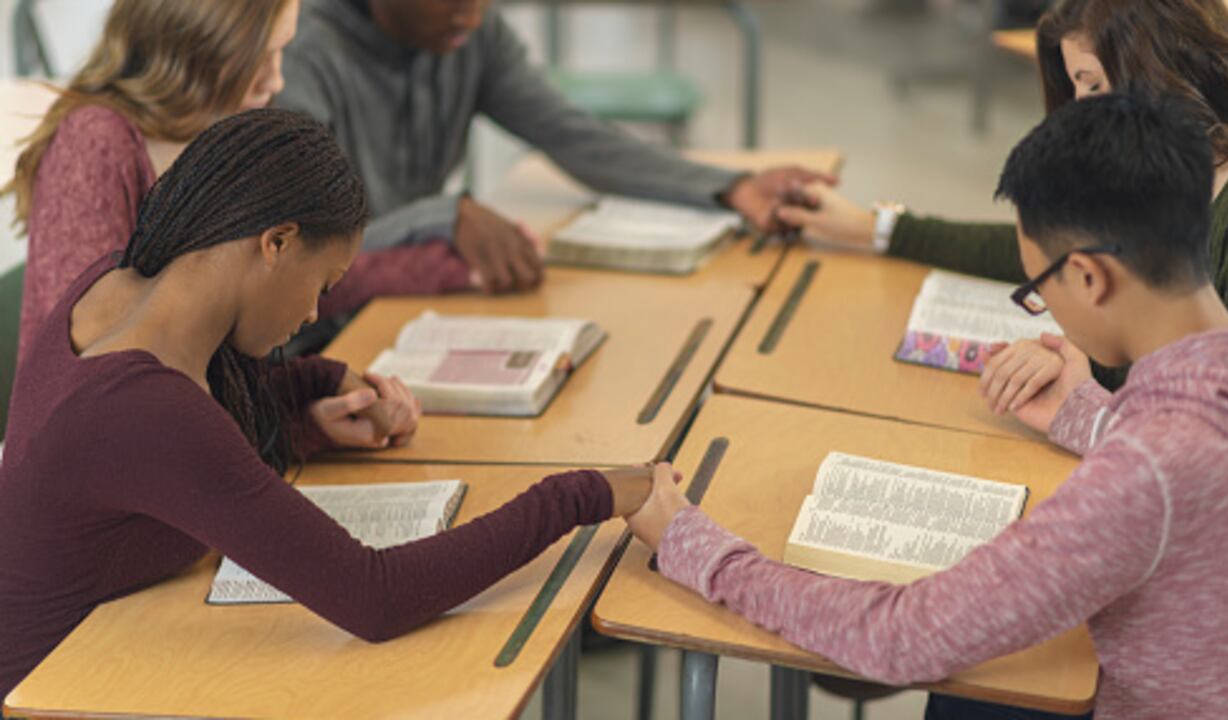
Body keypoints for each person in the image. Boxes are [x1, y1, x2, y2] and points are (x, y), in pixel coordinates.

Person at [626, 94, 1228, 719]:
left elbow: (903, 636)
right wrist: (1086, 414)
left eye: (1036, 289)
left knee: (976, 683)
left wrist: (696, 545)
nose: (1043, 306)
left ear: (1088, 277)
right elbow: (1212, 469)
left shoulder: (1150, 469)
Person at [0, 109, 656, 698]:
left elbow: (184, 448)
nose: (314, 311)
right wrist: (585, 494)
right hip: (60, 692)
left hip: (109, 658)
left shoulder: (112, 287)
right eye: (323, 283)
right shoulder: (148, 412)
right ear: (276, 242)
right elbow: (376, 596)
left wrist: (313, 389)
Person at [778, 0, 1228, 393]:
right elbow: (1051, 250)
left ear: (1165, 67)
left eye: (1093, 83)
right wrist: (878, 229)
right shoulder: (1174, 169)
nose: (1081, 107)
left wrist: (1076, 366)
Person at [3, 0, 471, 359]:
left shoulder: (220, 140)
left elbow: (279, 287)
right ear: (201, 43)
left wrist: (306, 415)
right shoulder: (95, 141)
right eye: (262, 56)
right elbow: (87, 356)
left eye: (282, 53)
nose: (275, 82)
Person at [274, 0, 835, 295]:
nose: (470, 13)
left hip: (406, 301)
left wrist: (729, 186)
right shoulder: (303, 55)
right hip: (315, 323)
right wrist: (442, 217)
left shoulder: (469, 35)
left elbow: (574, 134)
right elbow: (295, 246)